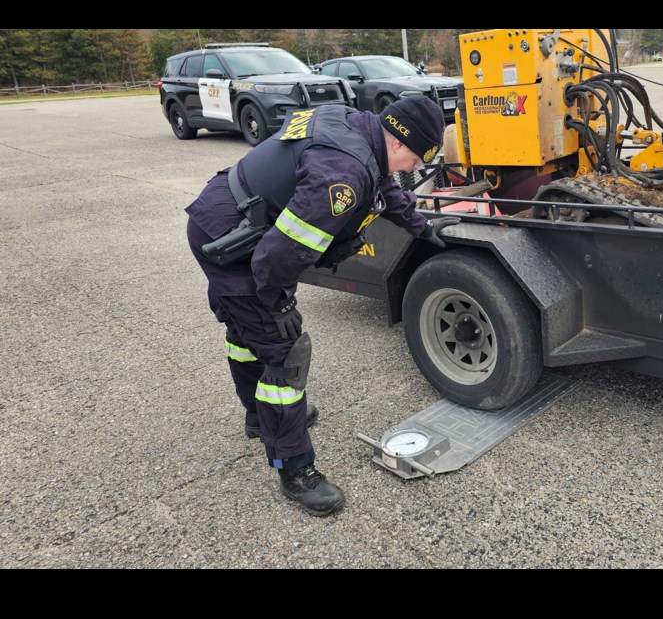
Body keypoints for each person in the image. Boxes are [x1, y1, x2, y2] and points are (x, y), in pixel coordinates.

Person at [185, 97, 459, 517]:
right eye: (415, 161)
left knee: (246, 333)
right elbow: (276, 258)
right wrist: (277, 305)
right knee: (284, 352)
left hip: (226, 214)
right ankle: (295, 470)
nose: (411, 170)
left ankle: (258, 417)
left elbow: (382, 184)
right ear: (401, 142)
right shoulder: (342, 177)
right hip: (232, 243)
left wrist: (420, 225)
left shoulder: (358, 127)